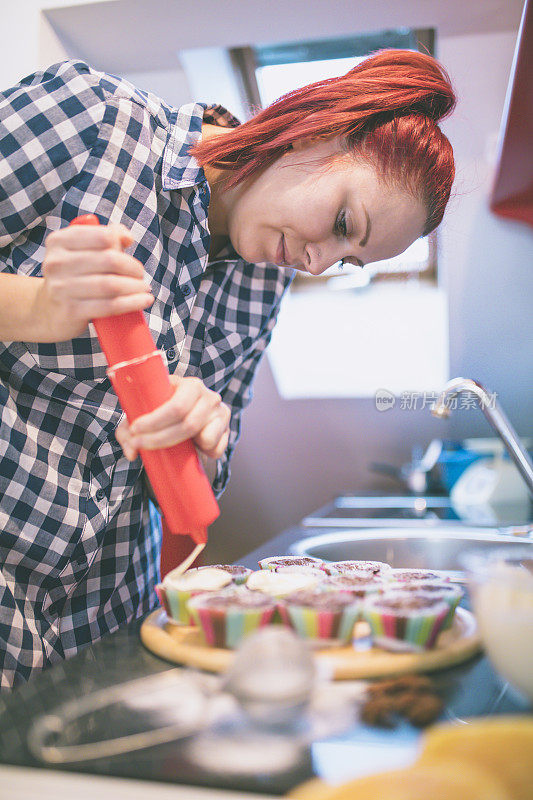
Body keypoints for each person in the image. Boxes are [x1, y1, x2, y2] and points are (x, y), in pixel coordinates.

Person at [0, 50, 456, 689]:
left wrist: (201, 438)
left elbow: (200, 486)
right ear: (317, 128)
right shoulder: (95, 123)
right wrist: (41, 307)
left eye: (349, 261)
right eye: (343, 223)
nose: (319, 264)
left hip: (105, 631)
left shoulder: (264, 282)